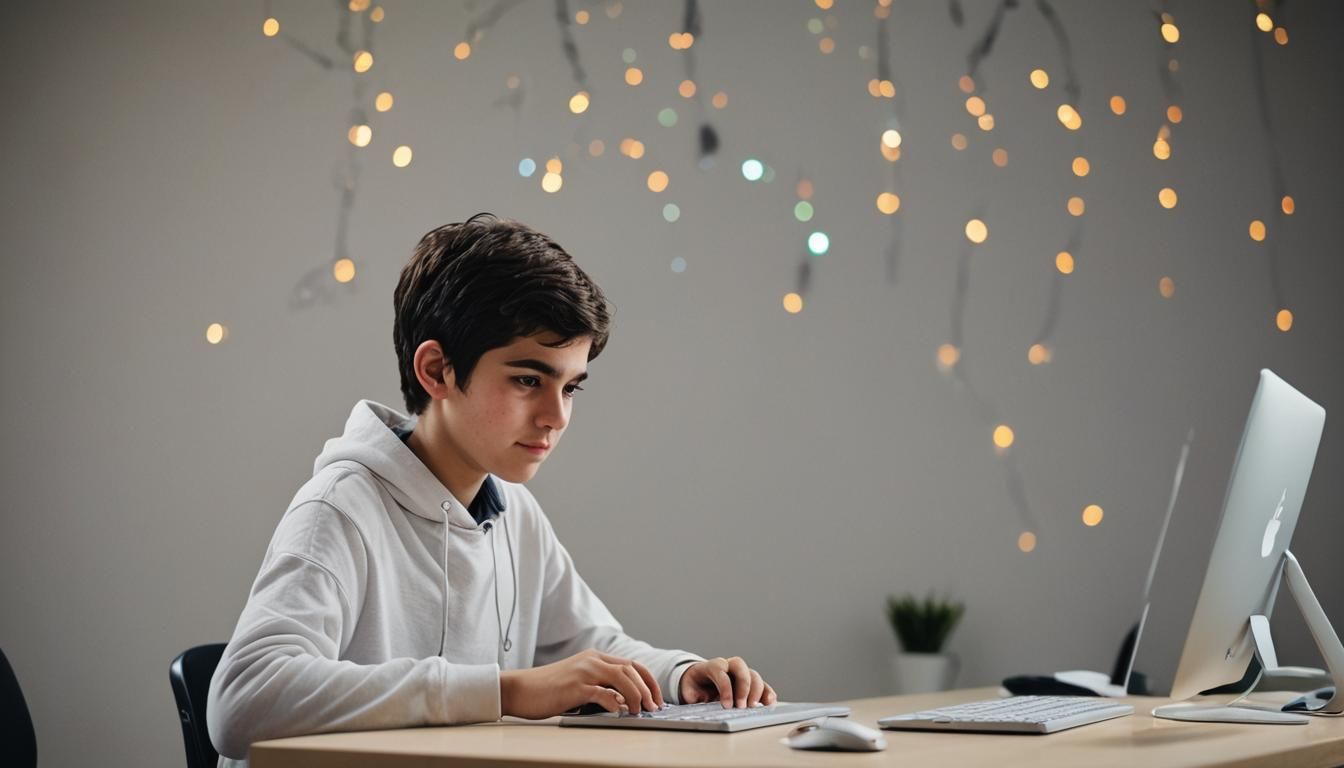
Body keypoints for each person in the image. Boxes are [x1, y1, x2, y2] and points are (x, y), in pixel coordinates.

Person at [206, 214, 776, 765]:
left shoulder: (515, 513)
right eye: (529, 380)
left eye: (571, 387)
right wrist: (506, 692)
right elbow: (242, 700)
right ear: (437, 371)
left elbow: (590, 646)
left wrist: (680, 675)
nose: (556, 417)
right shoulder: (341, 507)